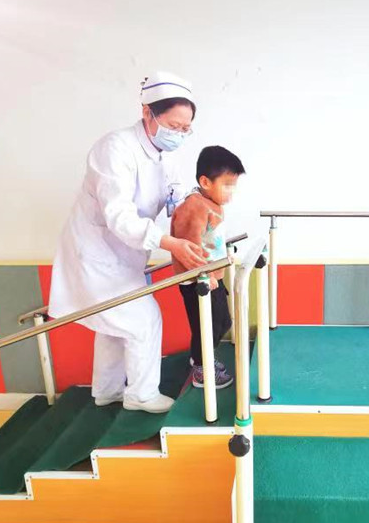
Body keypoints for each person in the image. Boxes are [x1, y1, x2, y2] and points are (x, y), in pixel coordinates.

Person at [48, 72, 207, 413]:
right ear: (147, 112)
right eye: (173, 126)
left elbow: (177, 195)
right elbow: (118, 215)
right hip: (96, 255)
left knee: (114, 325)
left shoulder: (165, 156)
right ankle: (141, 395)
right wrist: (170, 243)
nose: (179, 135)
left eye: (185, 129)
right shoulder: (115, 148)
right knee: (142, 319)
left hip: (126, 256)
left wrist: (196, 207)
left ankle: (107, 391)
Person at [170, 146, 245, 389]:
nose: (231, 192)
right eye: (227, 185)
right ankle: (202, 369)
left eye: (234, 185)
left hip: (212, 275)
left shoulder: (209, 203)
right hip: (198, 281)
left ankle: (199, 358)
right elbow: (190, 246)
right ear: (205, 182)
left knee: (223, 322)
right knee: (207, 325)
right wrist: (204, 274)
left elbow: (210, 239)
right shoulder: (194, 206)